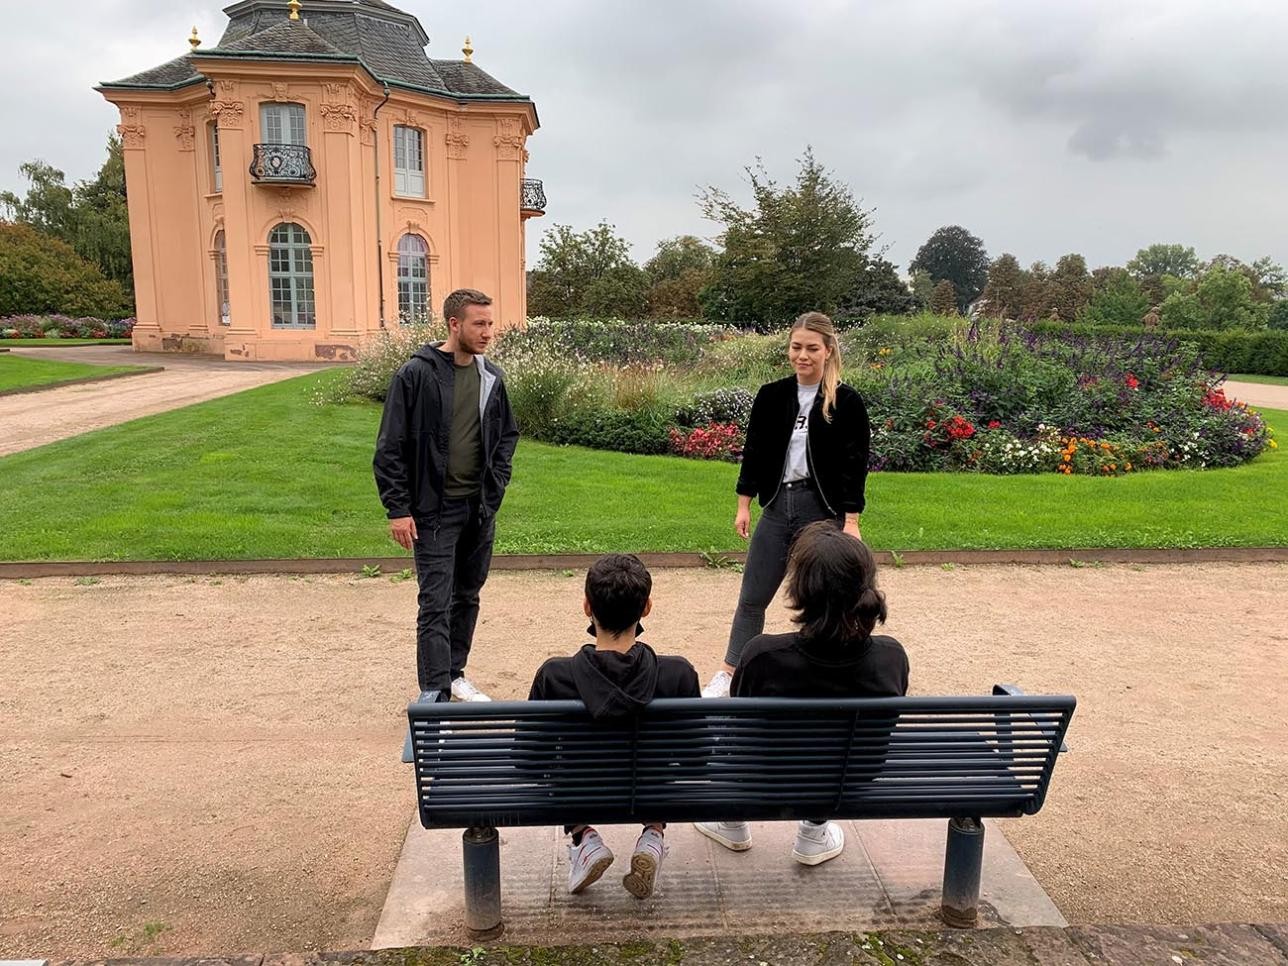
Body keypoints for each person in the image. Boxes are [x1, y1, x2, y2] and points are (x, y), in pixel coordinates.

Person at [696, 521, 909, 865]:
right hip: (847, 779)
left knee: (727, 724)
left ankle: (731, 820)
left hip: (765, 775)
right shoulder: (891, 657)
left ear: (800, 589)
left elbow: (740, 727)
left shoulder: (762, 654)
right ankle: (814, 831)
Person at [702, 311, 871, 698]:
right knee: (752, 597)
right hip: (778, 507)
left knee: (825, 598)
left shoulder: (846, 402)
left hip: (821, 511)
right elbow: (755, 454)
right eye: (797, 347)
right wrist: (744, 504)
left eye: (812, 348)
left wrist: (852, 520)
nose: (803, 355)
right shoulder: (771, 396)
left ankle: (827, 675)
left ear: (828, 351)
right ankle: (731, 674)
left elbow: (854, 465)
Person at [373, 288, 519, 705]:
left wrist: (496, 486)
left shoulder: (491, 375)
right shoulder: (415, 374)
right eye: (479, 323)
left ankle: (455, 674)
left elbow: (506, 435)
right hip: (432, 512)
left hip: (479, 508)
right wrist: (398, 509)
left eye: (490, 323)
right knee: (435, 602)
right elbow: (390, 447)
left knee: (468, 595)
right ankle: (434, 691)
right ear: (454, 324)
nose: (488, 332)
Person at [529, 554, 700, 898]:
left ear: (587, 606)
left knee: (564, 771)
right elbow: (697, 759)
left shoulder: (554, 676)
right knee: (655, 765)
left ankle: (584, 837)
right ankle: (652, 834)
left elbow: (529, 758)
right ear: (647, 607)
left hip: (580, 792)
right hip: (654, 790)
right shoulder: (678, 673)